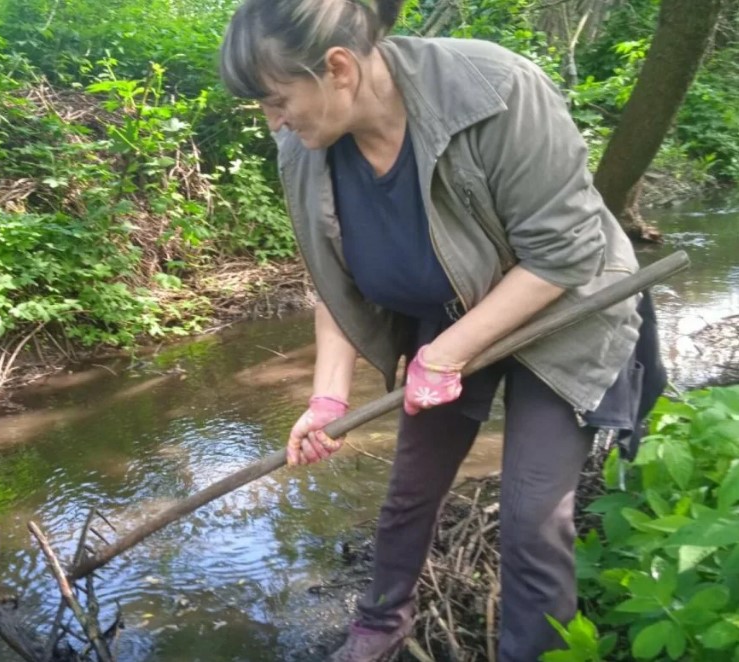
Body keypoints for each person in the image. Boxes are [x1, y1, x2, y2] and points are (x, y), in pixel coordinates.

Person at [220, 1, 664, 660]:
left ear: (337, 68)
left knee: (531, 518)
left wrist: (448, 354)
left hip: (564, 311)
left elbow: (564, 256)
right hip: (447, 315)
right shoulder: (304, 149)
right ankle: (379, 625)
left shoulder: (495, 90)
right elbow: (333, 280)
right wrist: (327, 400)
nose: (272, 120)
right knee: (408, 491)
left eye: (277, 99)